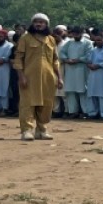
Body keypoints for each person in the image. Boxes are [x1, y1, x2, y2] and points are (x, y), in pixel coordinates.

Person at [13, 13, 62, 141]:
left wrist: (59, 77)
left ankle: (42, 129)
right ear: (32, 24)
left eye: (42, 22)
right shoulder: (25, 38)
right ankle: (27, 131)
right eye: (36, 22)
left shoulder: (51, 39)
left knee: (46, 103)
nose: (39, 24)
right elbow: (18, 59)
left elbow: (55, 60)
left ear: (46, 24)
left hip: (48, 78)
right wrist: (21, 76)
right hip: (29, 77)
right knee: (28, 103)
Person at [59, 25, 92, 118]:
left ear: (82, 33)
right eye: (74, 34)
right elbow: (62, 52)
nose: (75, 36)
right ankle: (73, 112)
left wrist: (78, 60)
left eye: (77, 34)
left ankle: (86, 112)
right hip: (70, 70)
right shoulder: (69, 42)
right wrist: (66, 59)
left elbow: (89, 55)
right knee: (70, 91)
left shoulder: (87, 43)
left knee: (82, 91)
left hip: (81, 69)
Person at [84, 32, 103, 120]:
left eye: (100, 40)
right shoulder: (94, 50)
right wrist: (89, 65)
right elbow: (88, 59)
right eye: (96, 40)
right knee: (92, 94)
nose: (98, 42)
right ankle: (93, 113)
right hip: (93, 75)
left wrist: (98, 65)